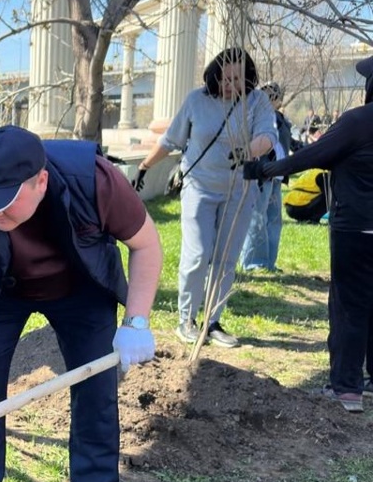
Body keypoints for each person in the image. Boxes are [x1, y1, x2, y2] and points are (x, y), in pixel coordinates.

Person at [0, 126, 162, 482]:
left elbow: (147, 245)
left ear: (39, 182)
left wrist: (136, 321)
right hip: (4, 289)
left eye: (3, 206)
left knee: (97, 389)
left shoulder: (95, 180)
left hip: (81, 286)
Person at [243, 55, 373, 414]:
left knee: (349, 306)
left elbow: (312, 155)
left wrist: (265, 170)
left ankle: (346, 387)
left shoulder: (359, 121)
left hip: (357, 228)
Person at [134, 47, 275, 348]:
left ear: (248, 78)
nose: (230, 85)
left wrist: (248, 151)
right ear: (214, 75)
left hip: (239, 191)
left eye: (238, 78)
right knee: (198, 254)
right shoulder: (197, 101)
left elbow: (268, 137)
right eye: (225, 78)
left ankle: (212, 320)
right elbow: (170, 139)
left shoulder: (258, 101)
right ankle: (186, 319)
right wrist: (145, 166)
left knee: (225, 258)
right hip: (199, 187)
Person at [239, 81, 296, 272]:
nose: (271, 100)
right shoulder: (253, 118)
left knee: (273, 219)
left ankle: (269, 262)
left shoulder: (282, 121)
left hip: (277, 176)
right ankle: (253, 261)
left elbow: (291, 143)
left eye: (274, 97)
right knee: (257, 218)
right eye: (266, 96)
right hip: (260, 174)